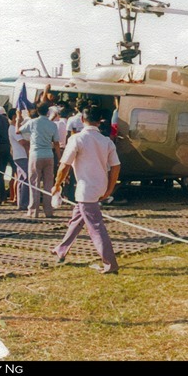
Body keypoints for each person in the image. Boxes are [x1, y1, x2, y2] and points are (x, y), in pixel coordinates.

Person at [51, 105, 121, 275]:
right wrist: (110, 189)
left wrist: (57, 184)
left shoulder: (76, 139)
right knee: (77, 220)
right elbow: (116, 167)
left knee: (96, 227)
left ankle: (110, 264)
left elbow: (64, 166)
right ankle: (62, 249)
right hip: (99, 187)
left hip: (85, 189)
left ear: (82, 120)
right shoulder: (106, 141)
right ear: (100, 121)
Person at [19, 101, 61, 218]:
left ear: (37, 111)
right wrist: (59, 157)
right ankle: (48, 210)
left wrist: (18, 119)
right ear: (48, 112)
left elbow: (19, 131)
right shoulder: (53, 125)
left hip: (35, 154)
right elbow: (56, 143)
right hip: (49, 155)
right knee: (48, 183)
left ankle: (33, 210)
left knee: (34, 183)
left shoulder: (33, 122)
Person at [8, 108, 30, 211]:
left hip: (22, 155)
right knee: (26, 178)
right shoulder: (12, 128)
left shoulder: (18, 127)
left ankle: (21, 202)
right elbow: (22, 142)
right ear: (14, 117)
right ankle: (24, 202)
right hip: (20, 155)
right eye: (20, 115)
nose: (22, 117)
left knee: (22, 179)